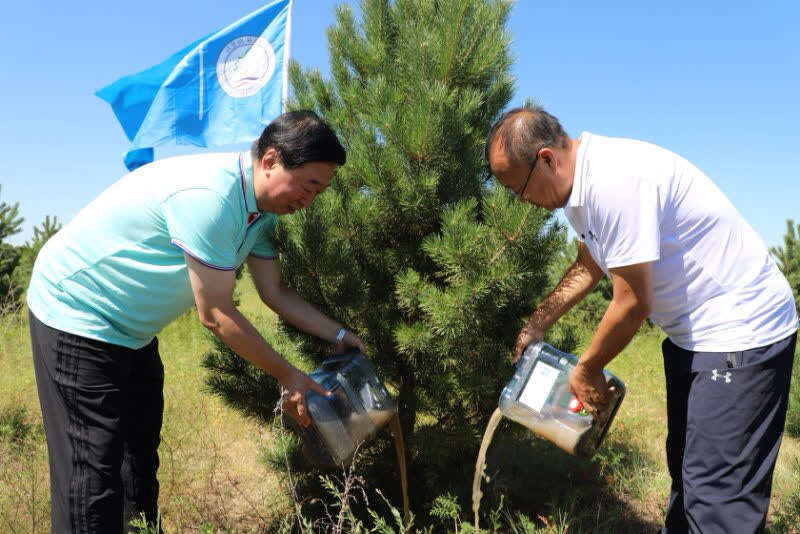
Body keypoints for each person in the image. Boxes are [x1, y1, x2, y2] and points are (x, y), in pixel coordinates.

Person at [26, 110, 365, 533]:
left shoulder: (262, 215)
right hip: (76, 314)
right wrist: (288, 375)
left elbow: (274, 293)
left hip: (132, 331)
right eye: (309, 186)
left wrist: (338, 334)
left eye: (320, 192)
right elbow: (217, 315)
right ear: (271, 160)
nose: (309, 201)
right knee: (90, 478)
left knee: (138, 466)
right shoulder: (212, 195)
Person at [485, 105, 798, 534]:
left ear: (546, 159)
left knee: (718, 499)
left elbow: (632, 302)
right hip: (695, 337)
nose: (519, 201)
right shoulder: (579, 194)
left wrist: (587, 369)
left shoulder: (614, 181)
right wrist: (537, 321)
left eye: (516, 187)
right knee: (689, 477)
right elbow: (588, 263)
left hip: (740, 333)